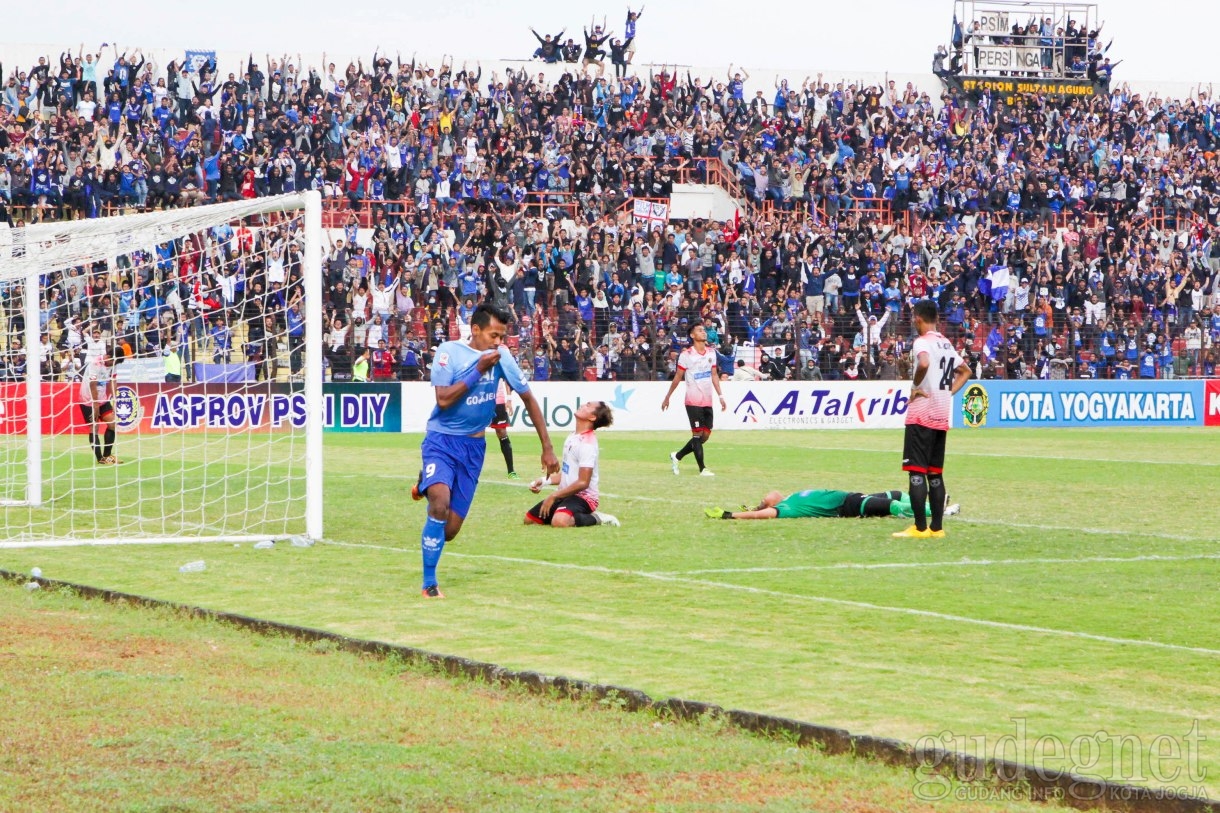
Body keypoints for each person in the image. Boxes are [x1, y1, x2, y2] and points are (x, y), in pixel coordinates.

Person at [411, 303, 559, 598]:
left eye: (502, 337)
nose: (499, 343)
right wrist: (478, 371)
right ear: (475, 330)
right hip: (441, 441)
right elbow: (442, 400)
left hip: (474, 448)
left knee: (449, 531)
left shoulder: (502, 356)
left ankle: (425, 482)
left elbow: (528, 398)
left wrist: (547, 447)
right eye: (494, 335)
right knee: (439, 504)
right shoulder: (449, 353)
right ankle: (429, 584)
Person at [894, 299, 971, 539]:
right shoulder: (946, 343)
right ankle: (937, 529)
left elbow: (925, 363)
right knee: (935, 473)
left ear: (918, 318)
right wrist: (947, 392)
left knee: (916, 471)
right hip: (940, 414)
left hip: (921, 414)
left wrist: (915, 385)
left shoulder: (921, 342)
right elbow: (966, 371)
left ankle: (919, 527)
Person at [524, 399, 619, 527]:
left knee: (559, 522)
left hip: (584, 498)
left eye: (588, 405)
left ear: (592, 417)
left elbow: (583, 483)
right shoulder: (573, 436)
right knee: (529, 519)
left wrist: (554, 496)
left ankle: (598, 518)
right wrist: (544, 481)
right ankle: (565, 512)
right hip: (566, 494)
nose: (583, 405)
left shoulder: (588, 444)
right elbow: (567, 473)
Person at [662, 323, 726, 476]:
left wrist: (721, 396)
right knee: (697, 435)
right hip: (693, 401)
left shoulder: (711, 352)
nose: (703, 332)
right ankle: (702, 468)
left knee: (705, 436)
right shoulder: (686, 355)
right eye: (699, 330)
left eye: (704, 330)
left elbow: (714, 375)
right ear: (692, 335)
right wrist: (667, 396)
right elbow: (678, 377)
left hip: (707, 400)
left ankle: (677, 456)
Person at [704, 488, 959, 521]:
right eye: (765, 497)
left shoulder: (792, 497)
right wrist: (731, 515)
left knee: (896, 493)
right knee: (891, 505)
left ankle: (931, 501)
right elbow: (765, 515)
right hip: (849, 506)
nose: (771, 492)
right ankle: (937, 510)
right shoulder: (786, 508)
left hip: (852, 495)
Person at [79, 342, 121, 465]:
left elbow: (113, 380)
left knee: (112, 423)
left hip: (102, 399)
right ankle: (100, 458)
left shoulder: (113, 363)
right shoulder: (95, 364)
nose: (113, 365)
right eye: (112, 362)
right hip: (88, 399)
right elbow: (92, 385)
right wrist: (95, 405)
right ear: (108, 356)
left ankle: (107, 455)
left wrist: (115, 398)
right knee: (94, 427)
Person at [490, 380, 518, 478]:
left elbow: (507, 379)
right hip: (480, 399)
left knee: (502, 432)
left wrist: (509, 399)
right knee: (475, 432)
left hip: (498, 400)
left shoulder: (500, 363)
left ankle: (511, 471)